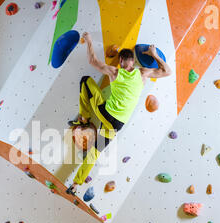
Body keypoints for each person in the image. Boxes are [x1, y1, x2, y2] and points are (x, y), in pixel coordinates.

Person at [66, 32, 172, 195]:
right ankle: (75, 185)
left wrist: (89, 41)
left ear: (121, 61)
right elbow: (167, 71)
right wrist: (155, 55)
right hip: (118, 124)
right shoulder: (143, 73)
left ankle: (84, 118)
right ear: (133, 62)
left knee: (86, 81)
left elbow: (92, 60)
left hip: (105, 113)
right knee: (95, 151)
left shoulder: (115, 72)